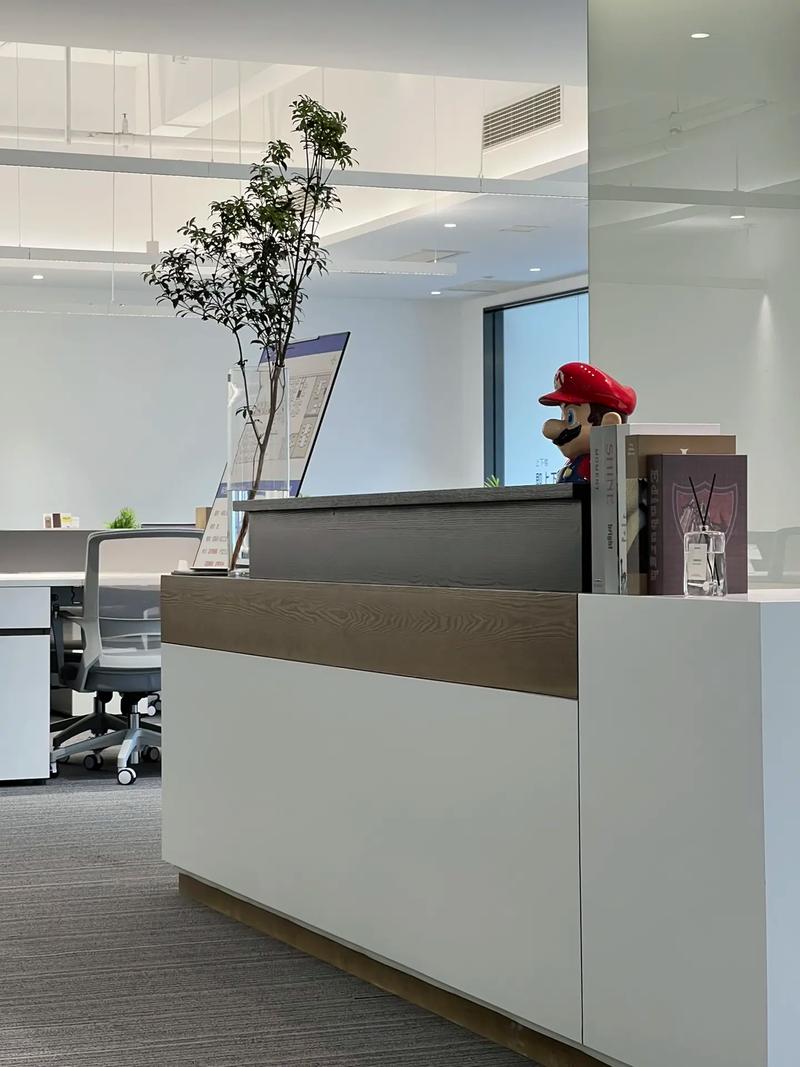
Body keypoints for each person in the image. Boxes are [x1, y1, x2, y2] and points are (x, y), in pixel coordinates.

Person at [539, 362, 637, 483]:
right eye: (562, 415)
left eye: (570, 417)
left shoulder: (599, 468)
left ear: (609, 424)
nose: (550, 431)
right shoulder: (574, 463)